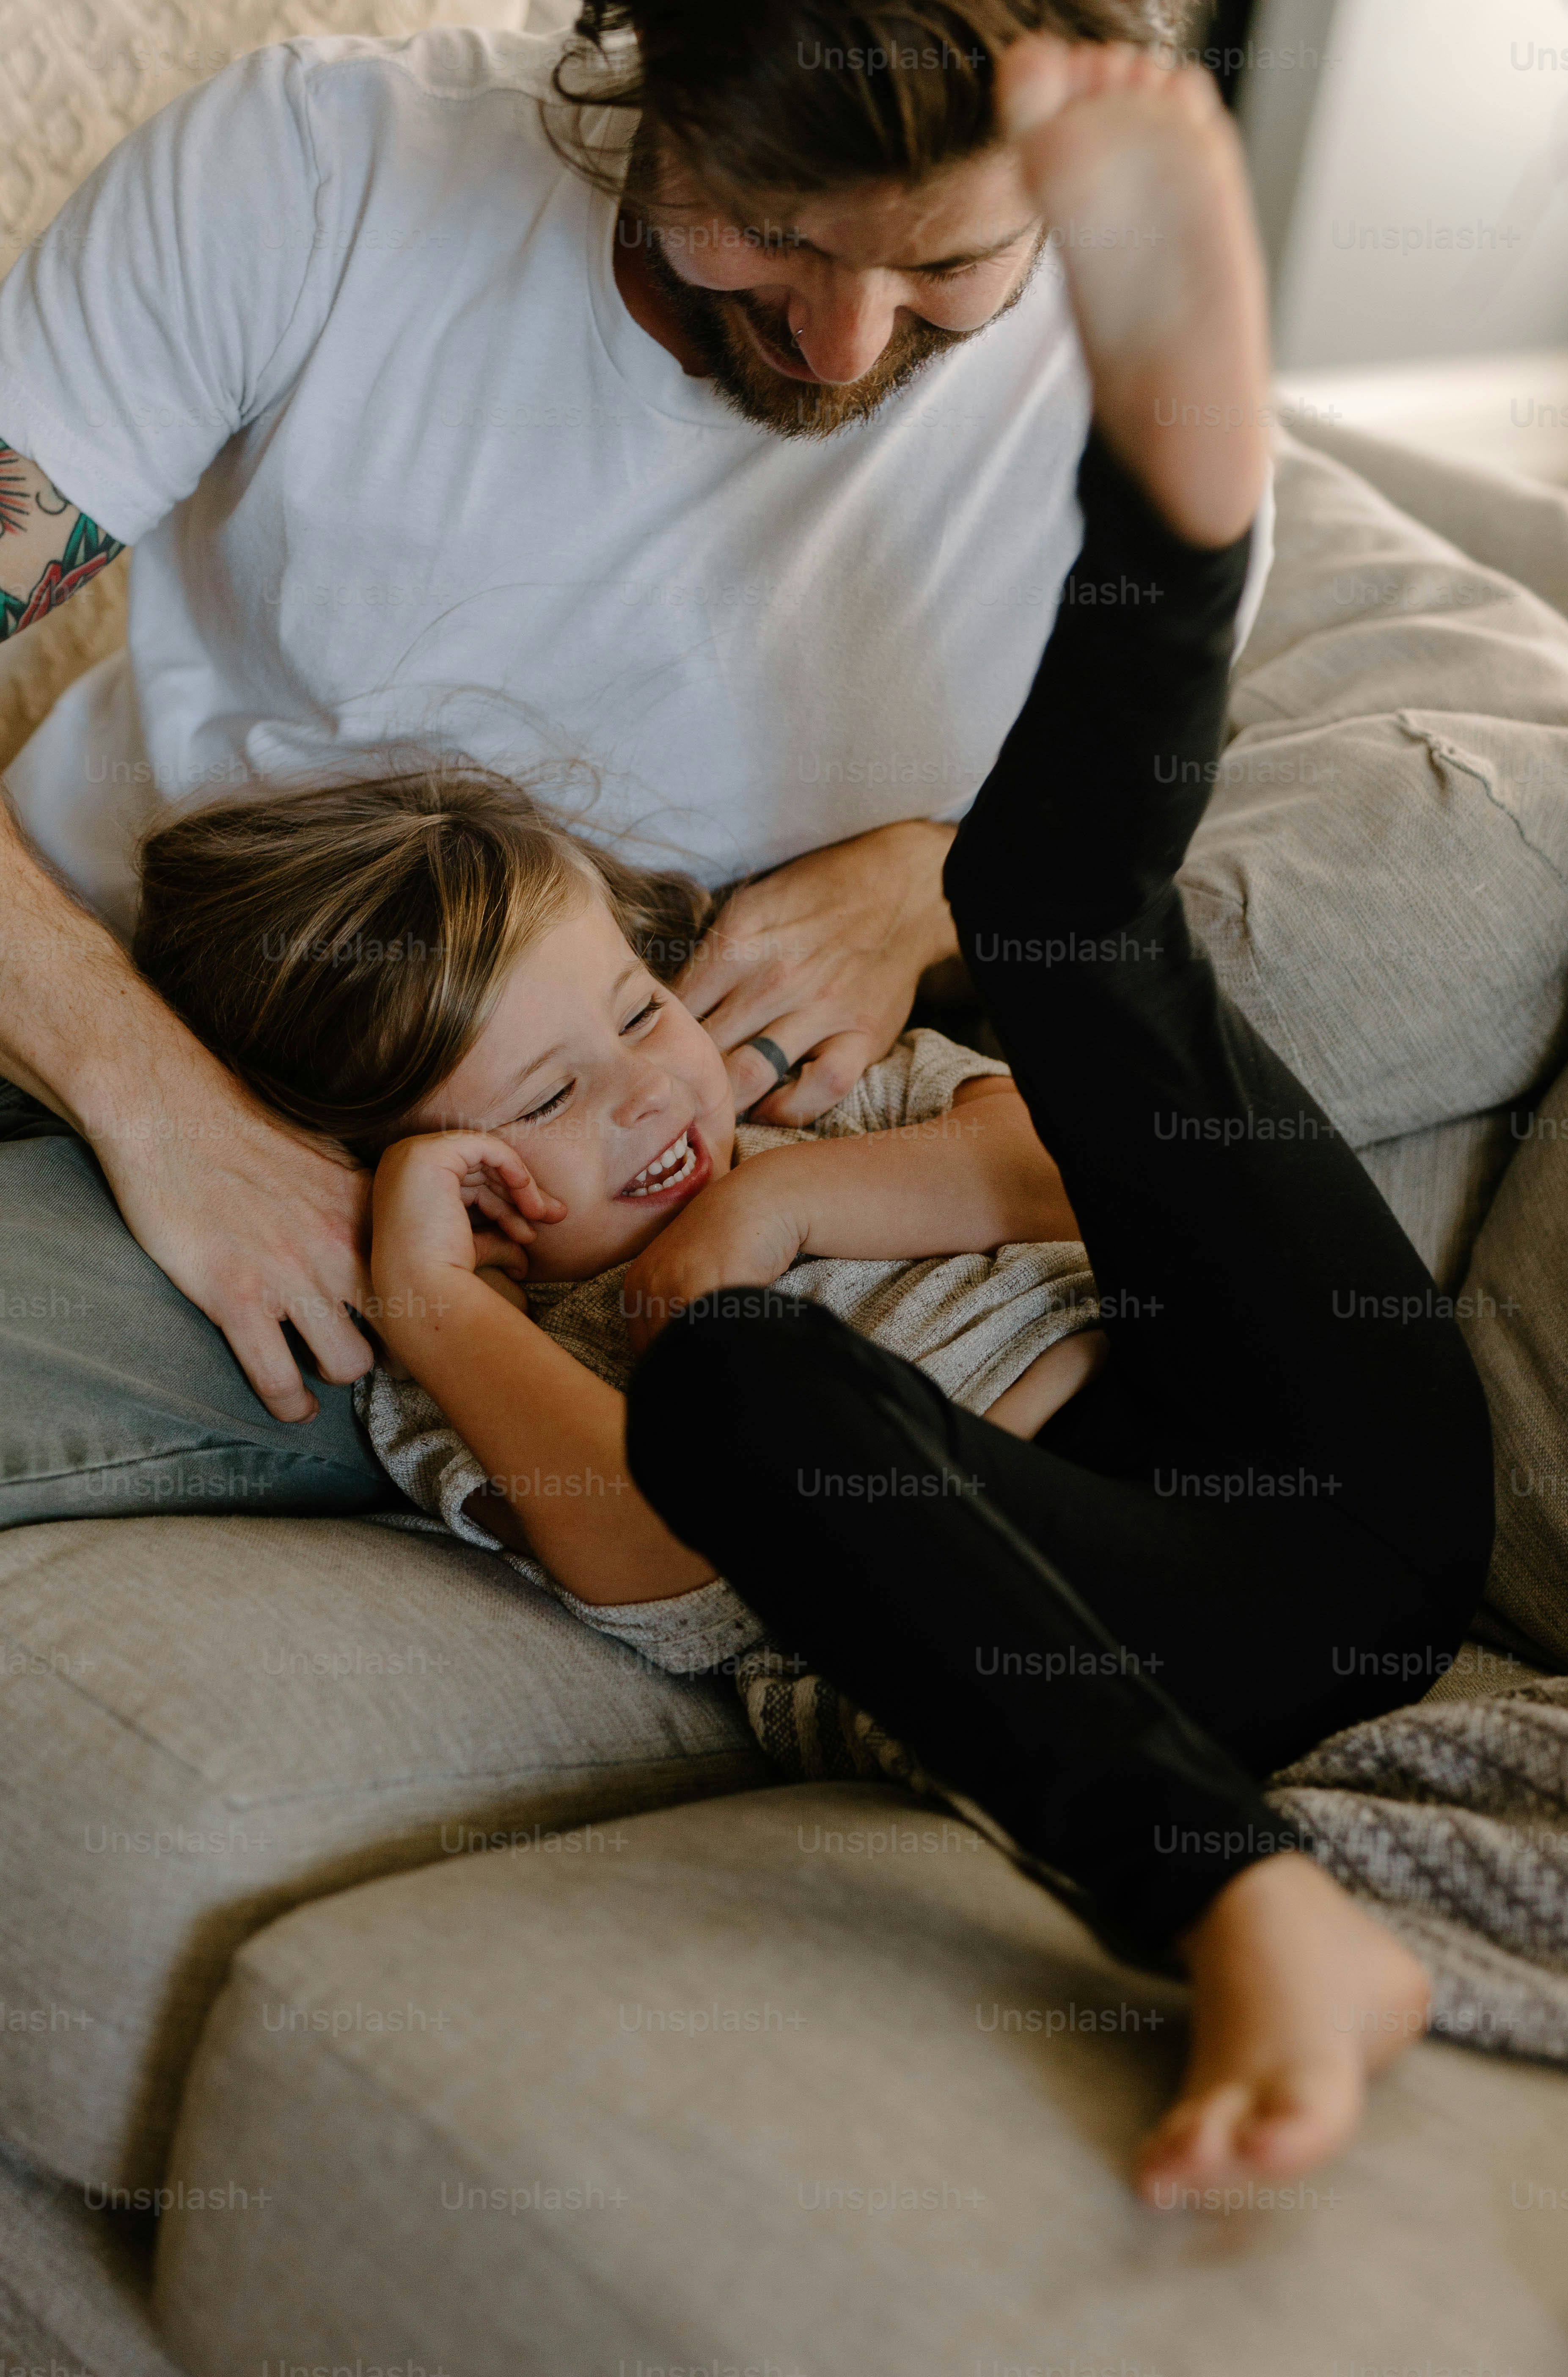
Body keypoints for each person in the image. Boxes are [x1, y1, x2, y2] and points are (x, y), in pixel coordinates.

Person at [136, 38, 1491, 2199]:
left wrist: (771, 1204)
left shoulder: (802, 1092)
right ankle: (1247, 1908)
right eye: (554, 1102)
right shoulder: (498, 1358)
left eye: (635, 1008)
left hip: (1354, 1459)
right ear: (467, 1194)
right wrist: (445, 1294)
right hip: (1138, 1645)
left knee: (1059, 932)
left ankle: (1187, 495)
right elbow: (645, 1539)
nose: (653, 1087)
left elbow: (1075, 1160)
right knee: (737, 1396)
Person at [0, 0, 1272, 1526]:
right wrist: (166, 1113)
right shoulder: (317, 173)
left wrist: (937, 884)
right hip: (99, 1035)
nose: (841, 345)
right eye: (761, 228)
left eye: (946, 264)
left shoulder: (1146, 404)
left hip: (576, 1248)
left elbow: (1114, 882)